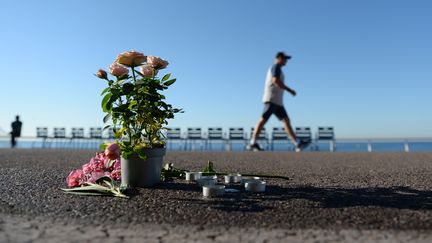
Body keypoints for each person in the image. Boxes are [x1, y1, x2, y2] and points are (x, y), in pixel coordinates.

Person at [248, 52, 308, 152]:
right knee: (263, 120)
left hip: (278, 102)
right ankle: (252, 143)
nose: (286, 61)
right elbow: (276, 81)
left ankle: (297, 143)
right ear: (279, 58)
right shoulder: (275, 67)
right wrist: (289, 90)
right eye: (285, 59)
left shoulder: (278, 69)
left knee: (286, 120)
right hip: (271, 100)